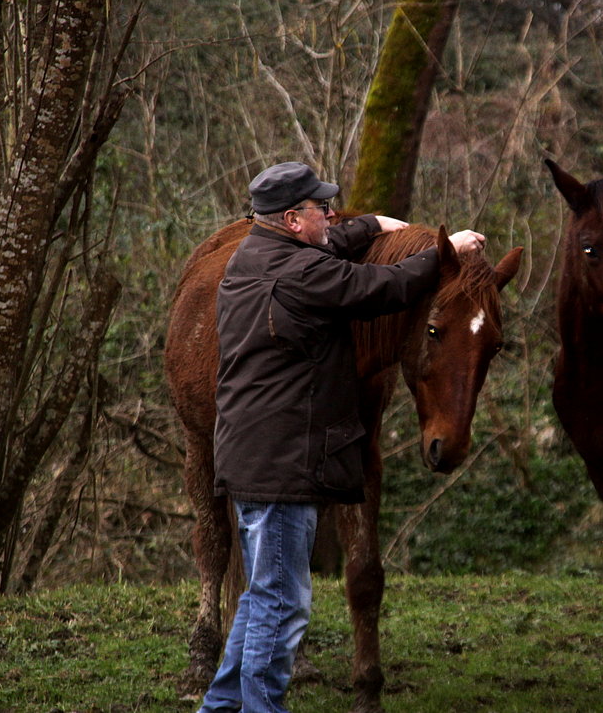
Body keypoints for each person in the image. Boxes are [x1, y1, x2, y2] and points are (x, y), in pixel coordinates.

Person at [198, 162, 485, 713]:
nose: (331, 213)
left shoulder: (257, 255)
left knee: (261, 600)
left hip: (253, 458)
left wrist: (373, 223)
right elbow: (387, 285)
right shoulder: (300, 275)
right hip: (282, 465)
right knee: (284, 608)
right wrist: (450, 251)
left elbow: (330, 245)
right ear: (290, 219)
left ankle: (220, 708)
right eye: (319, 208)